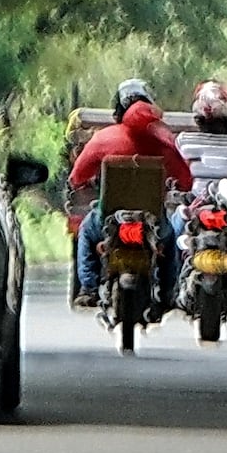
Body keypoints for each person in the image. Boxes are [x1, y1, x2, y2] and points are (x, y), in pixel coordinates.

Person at [68, 88, 191, 305]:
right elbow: (186, 181)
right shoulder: (164, 143)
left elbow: (77, 177)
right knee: (170, 236)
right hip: (151, 223)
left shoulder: (102, 138)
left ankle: (88, 288)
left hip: (109, 221)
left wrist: (82, 182)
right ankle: (167, 291)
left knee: (86, 231)